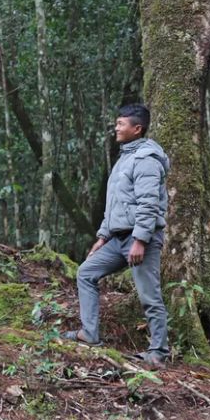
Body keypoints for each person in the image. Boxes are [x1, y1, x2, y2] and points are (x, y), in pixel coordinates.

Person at [65, 104, 171, 368]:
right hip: (118, 239)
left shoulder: (146, 159)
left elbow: (149, 204)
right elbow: (116, 205)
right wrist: (102, 237)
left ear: (137, 129)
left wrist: (140, 240)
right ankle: (89, 334)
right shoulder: (125, 159)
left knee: (149, 295)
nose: (116, 128)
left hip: (140, 240)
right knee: (86, 273)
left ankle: (158, 352)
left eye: (121, 123)